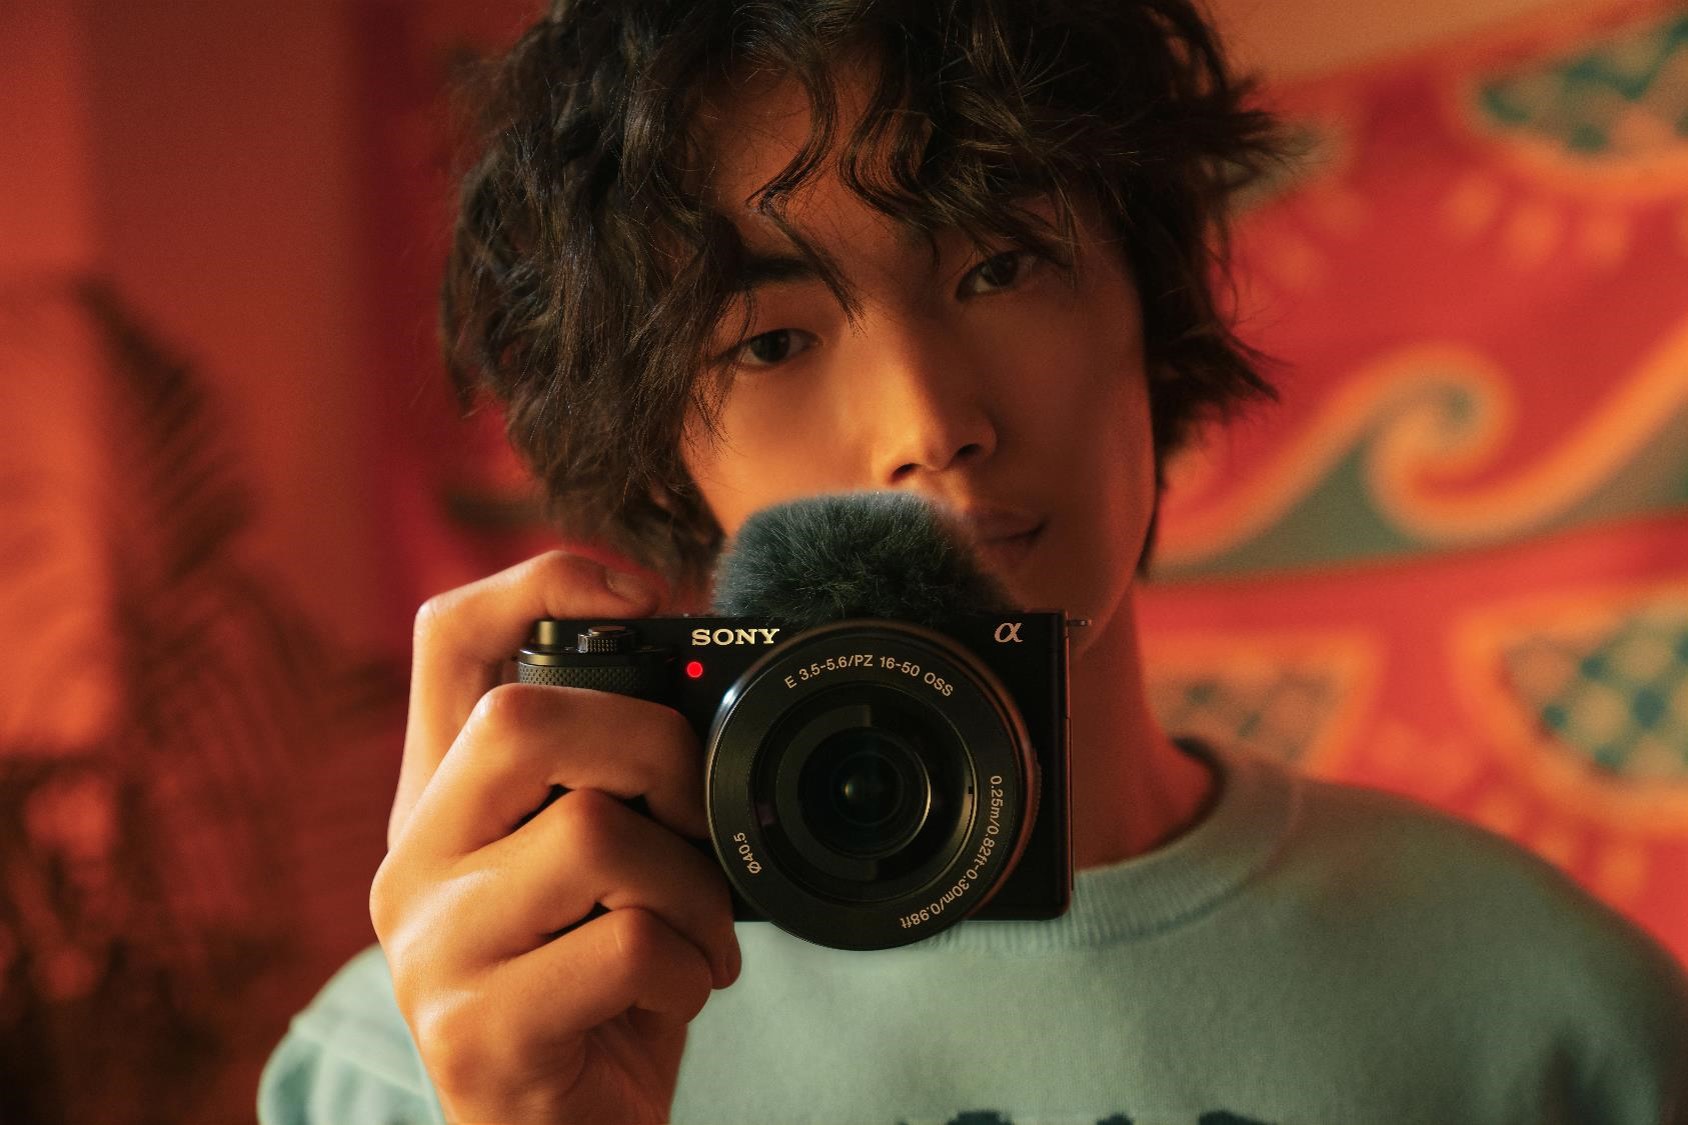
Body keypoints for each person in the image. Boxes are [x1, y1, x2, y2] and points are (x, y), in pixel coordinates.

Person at [258, 1, 1688, 1122]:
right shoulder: (422, 1056)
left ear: (1151, 303)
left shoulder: (1546, 1013)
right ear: (657, 458)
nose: (930, 424)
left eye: (1001, 267)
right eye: (770, 341)